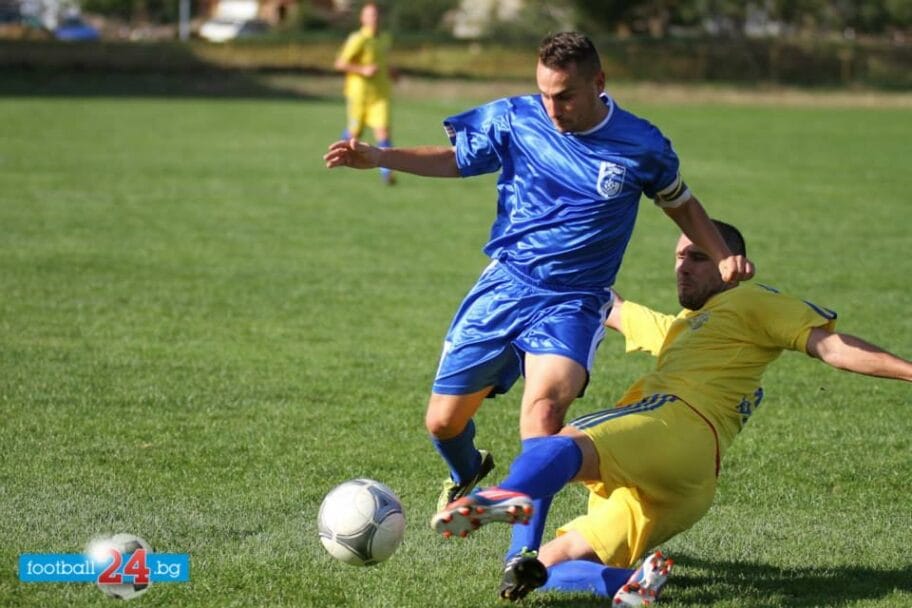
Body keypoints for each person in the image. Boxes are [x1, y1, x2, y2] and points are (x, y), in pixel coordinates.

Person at [324, 32, 755, 522]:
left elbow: (681, 204)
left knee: (544, 414)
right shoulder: (516, 117)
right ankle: (467, 469)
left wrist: (721, 254)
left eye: (565, 96)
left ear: (598, 82)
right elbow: (457, 159)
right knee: (442, 423)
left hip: (574, 299)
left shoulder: (641, 144)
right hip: (506, 285)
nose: (552, 108)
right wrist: (381, 157)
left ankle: (522, 553)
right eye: (545, 94)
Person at [430, 220, 912, 606]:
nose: (683, 267)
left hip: (677, 423)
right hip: (687, 484)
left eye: (698, 257)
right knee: (541, 568)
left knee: (556, 444)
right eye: (680, 256)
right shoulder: (685, 329)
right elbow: (612, 305)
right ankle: (626, 583)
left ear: (732, 265)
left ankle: (508, 496)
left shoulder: (753, 301)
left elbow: (831, 347)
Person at [334, 2, 396, 184]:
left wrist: (392, 72)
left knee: (383, 133)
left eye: (376, 15)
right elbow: (340, 63)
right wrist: (362, 70)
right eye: (370, 15)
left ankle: (387, 174)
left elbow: (383, 62)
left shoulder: (385, 38)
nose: (374, 18)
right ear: (362, 18)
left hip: (380, 96)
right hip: (359, 96)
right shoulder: (358, 39)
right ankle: (337, 153)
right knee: (354, 135)